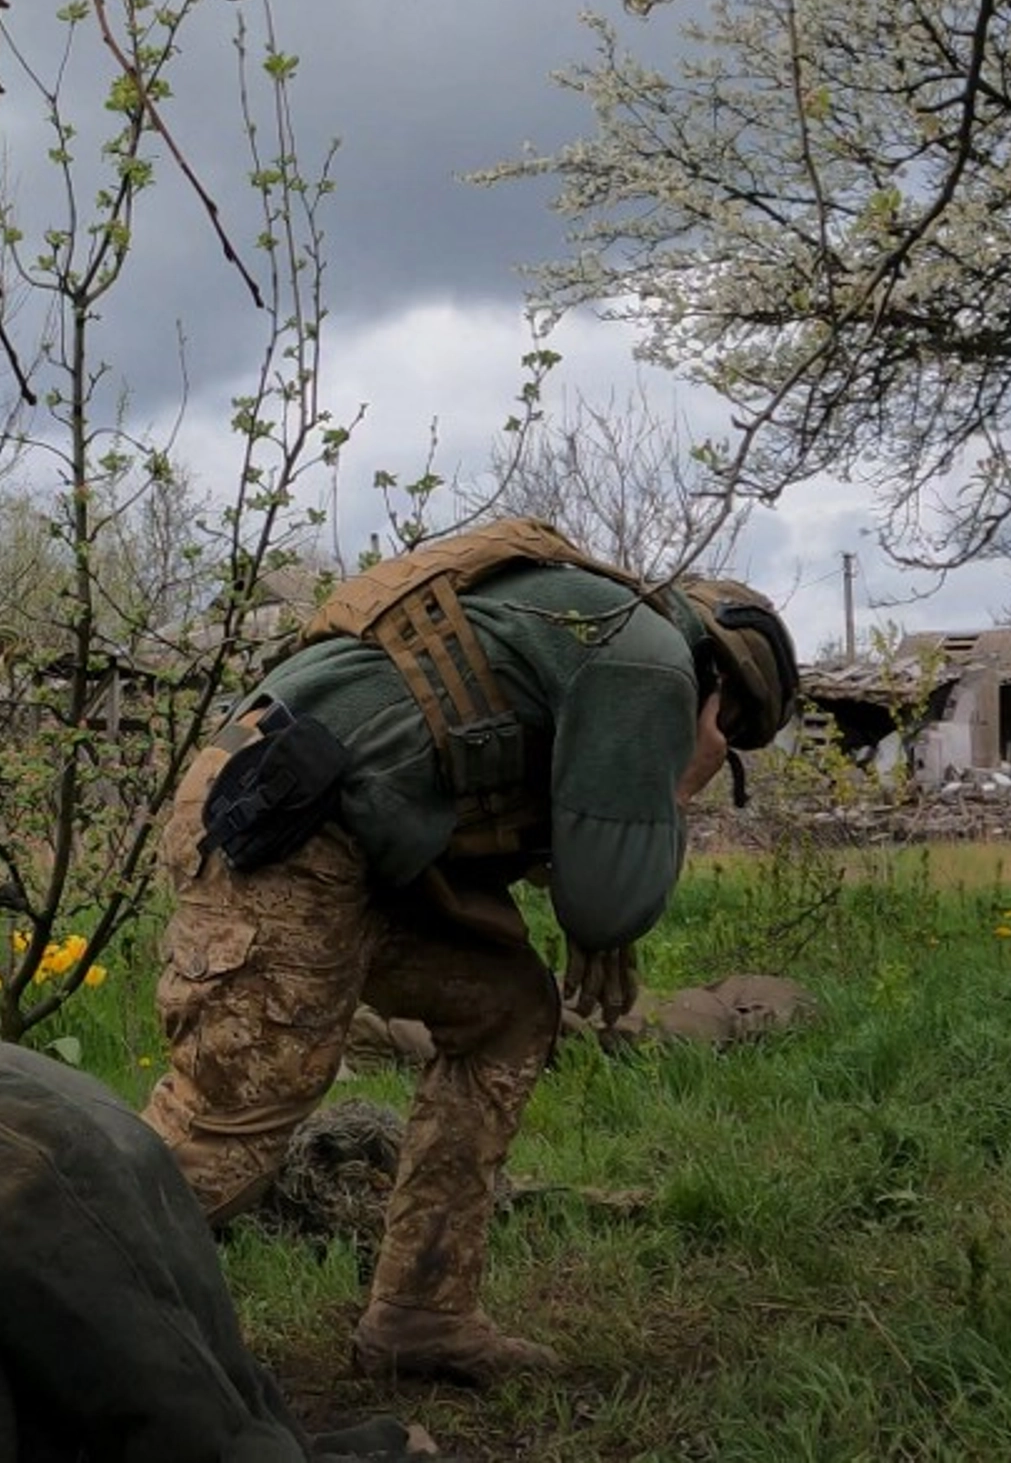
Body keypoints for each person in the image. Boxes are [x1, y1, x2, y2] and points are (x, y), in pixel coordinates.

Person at [139, 522, 798, 1386]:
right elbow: (605, 902)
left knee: (507, 1009)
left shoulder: (600, 624)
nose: (714, 743)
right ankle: (16, 1287)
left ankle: (422, 1313)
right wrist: (675, 788)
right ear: (722, 688)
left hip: (334, 821)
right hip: (285, 827)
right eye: (731, 732)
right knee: (235, 1123)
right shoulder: (648, 662)